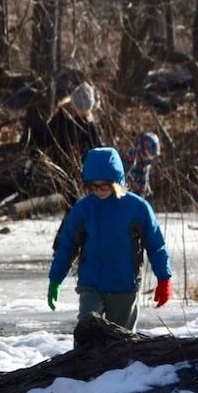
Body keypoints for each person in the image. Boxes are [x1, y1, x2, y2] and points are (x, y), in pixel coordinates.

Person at [47, 146, 172, 331]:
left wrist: (164, 278)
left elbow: (156, 246)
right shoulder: (83, 209)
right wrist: (55, 279)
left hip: (123, 285)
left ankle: (124, 360)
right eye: (93, 186)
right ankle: (85, 361)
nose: (99, 190)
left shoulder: (136, 208)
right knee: (88, 332)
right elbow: (67, 246)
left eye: (104, 185)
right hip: (91, 284)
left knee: (122, 339)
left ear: (117, 180)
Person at [126, 131, 162, 199]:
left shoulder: (147, 163)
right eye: (149, 156)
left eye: (153, 156)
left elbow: (144, 178)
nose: (151, 159)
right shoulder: (130, 159)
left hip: (141, 197)